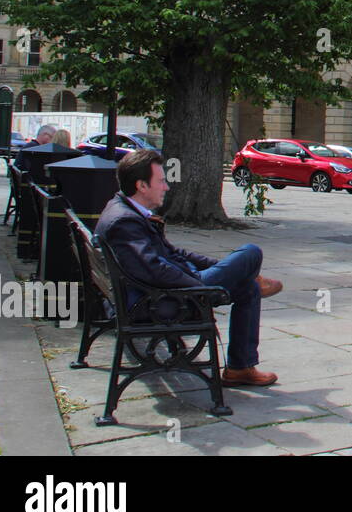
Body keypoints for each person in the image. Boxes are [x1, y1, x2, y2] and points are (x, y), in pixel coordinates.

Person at [96, 149, 283, 386]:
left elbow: (175, 253)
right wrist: (200, 285)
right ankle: (252, 284)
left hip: (158, 292)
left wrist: (221, 269)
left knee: (247, 287)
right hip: (158, 302)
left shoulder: (126, 210)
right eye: (161, 181)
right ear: (142, 186)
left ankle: (240, 368)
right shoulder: (125, 221)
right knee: (251, 252)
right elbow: (154, 270)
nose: (166, 187)